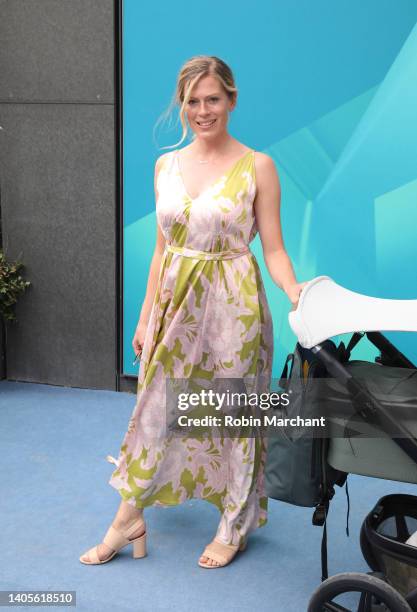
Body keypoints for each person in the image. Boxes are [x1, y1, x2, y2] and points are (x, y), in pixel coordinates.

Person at [79, 55, 307, 568]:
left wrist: (294, 289)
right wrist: (143, 318)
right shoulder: (166, 165)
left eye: (212, 99)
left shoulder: (258, 167)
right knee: (155, 412)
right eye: (192, 102)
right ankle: (127, 519)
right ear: (181, 106)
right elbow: (162, 251)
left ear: (231, 99)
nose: (202, 111)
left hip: (235, 308)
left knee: (232, 416)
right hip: (174, 308)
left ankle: (234, 525)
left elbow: (273, 248)